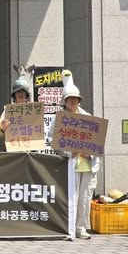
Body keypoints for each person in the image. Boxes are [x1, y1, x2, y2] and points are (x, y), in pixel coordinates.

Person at [48, 70, 99, 240]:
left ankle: (81, 228)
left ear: (79, 100)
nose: (73, 101)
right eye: (70, 99)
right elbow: (52, 139)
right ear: (65, 101)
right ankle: (69, 227)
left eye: (75, 99)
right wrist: (70, 152)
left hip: (87, 163)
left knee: (85, 196)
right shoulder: (59, 119)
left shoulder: (88, 118)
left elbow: (97, 141)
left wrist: (89, 153)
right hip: (70, 163)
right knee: (70, 197)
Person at [0, 75, 31, 152]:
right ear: (14, 95)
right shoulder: (7, 111)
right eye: (18, 92)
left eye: (23, 92)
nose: (20, 94)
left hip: (29, 151)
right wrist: (2, 129)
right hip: (12, 151)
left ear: (27, 95)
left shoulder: (34, 111)